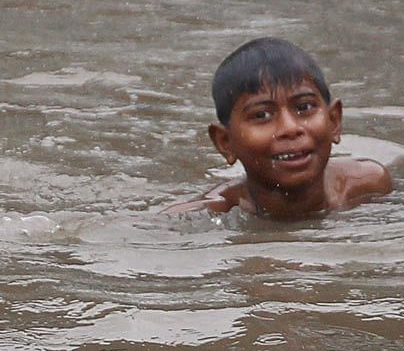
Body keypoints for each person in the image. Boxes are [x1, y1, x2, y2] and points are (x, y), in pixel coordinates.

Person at [167, 37, 392, 220]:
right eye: (262, 115)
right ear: (225, 143)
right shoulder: (207, 215)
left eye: (304, 107)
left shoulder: (368, 186)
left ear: (334, 121)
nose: (290, 128)